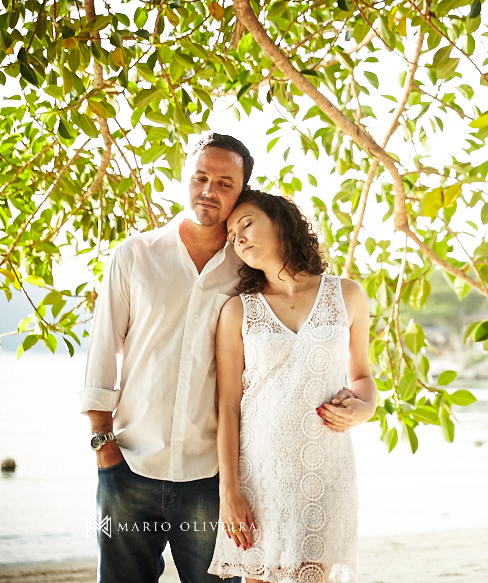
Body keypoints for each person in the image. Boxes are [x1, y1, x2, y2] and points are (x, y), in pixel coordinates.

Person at [79, 133, 254, 583]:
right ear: (184, 178)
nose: (208, 191)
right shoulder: (135, 255)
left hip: (211, 477)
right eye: (199, 178)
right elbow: (101, 353)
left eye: (224, 182)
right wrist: (103, 445)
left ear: (241, 191)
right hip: (129, 467)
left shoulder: (250, 270)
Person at [207, 190, 376, 583]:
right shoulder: (238, 311)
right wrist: (228, 491)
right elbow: (228, 406)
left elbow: (363, 377)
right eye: (232, 236)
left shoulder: (347, 295)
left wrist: (364, 409)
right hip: (260, 472)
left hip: (325, 468)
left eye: (246, 224)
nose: (239, 239)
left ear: (281, 223)